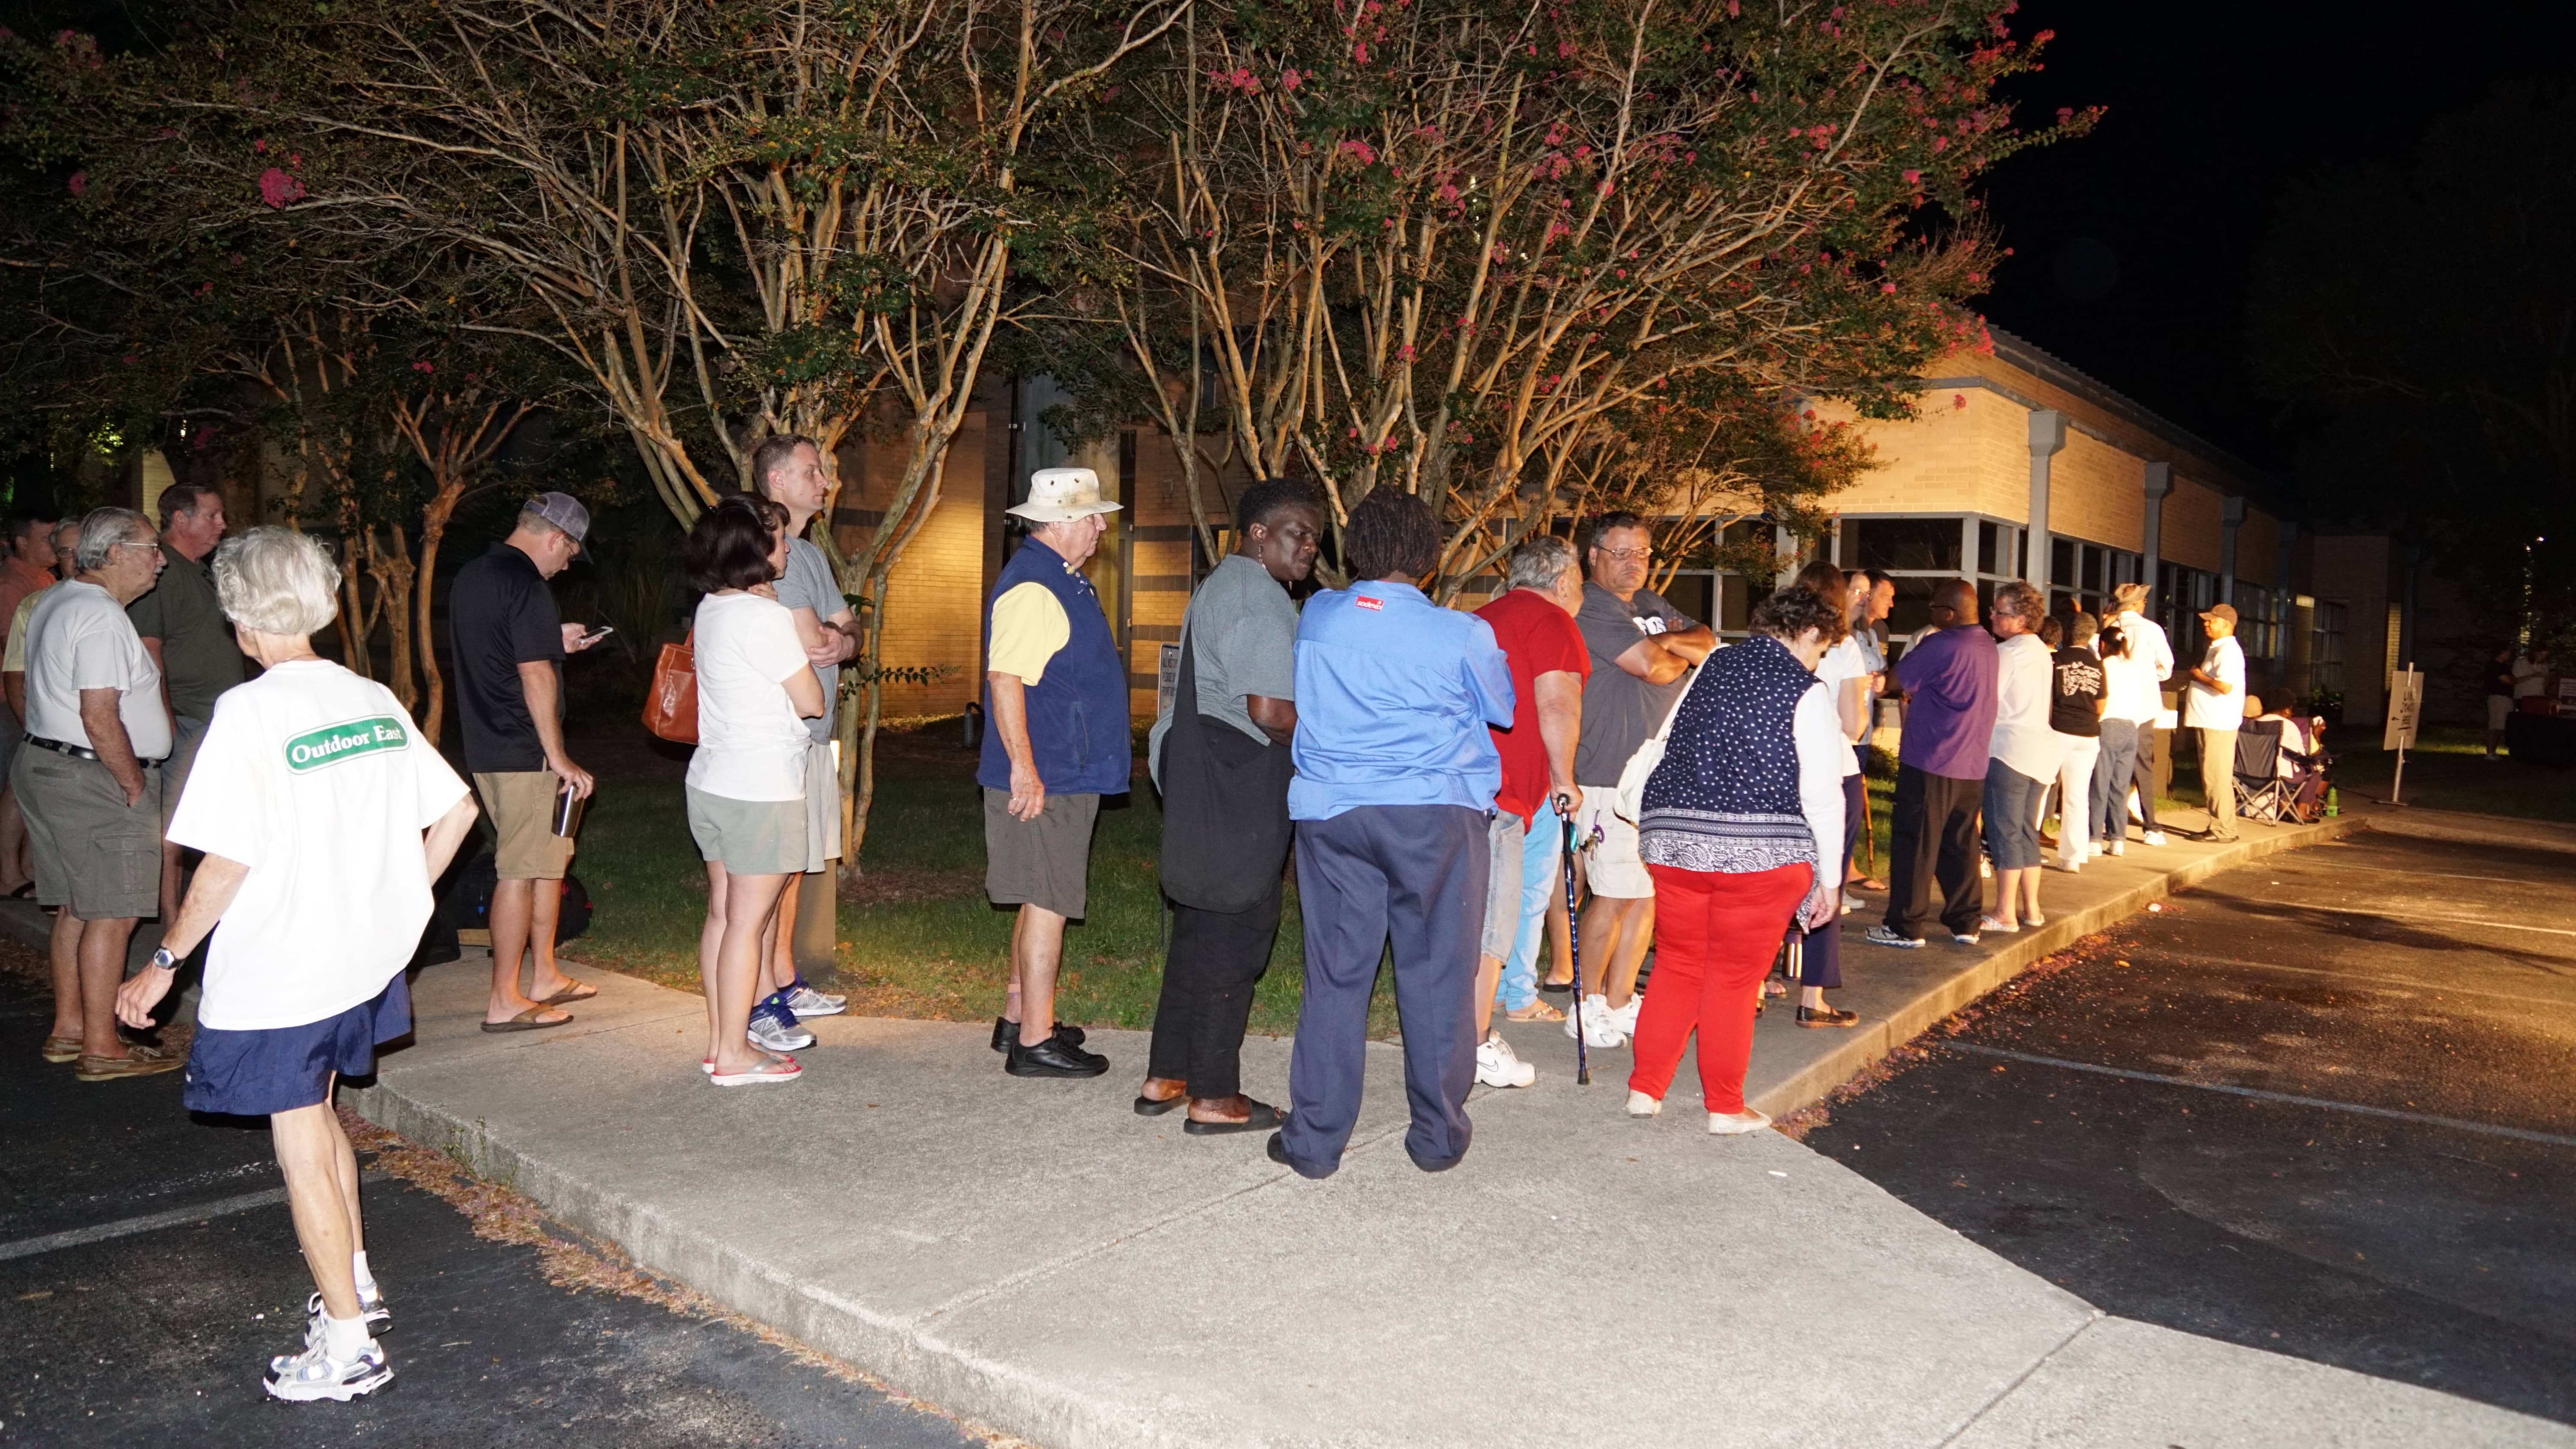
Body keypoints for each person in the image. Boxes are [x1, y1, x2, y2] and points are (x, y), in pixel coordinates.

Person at [114, 526, 478, 1402]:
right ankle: (355, 1283)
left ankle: (350, 1343)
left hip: (285, 967)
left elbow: (226, 862)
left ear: (241, 620)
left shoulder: (250, 712)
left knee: (300, 1138)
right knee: (320, 1113)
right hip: (358, 960)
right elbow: (458, 809)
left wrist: (163, 962)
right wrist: (399, 897)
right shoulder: (368, 696)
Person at [1269, 490, 1513, 1179]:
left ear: (1358, 550)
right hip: (1433, 815)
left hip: (1333, 815)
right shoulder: (1462, 633)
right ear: (1430, 559)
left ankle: (1314, 1142)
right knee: (1436, 974)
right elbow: (1501, 706)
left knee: (1336, 977)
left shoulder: (1317, 615)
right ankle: (1436, 1139)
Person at [1624, 583, 1845, 1134]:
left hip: (1676, 844)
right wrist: (1833, 879)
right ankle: (1724, 1106)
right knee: (1732, 979)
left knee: (1677, 964)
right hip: (1762, 859)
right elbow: (1822, 794)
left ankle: (1645, 1088)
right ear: (1812, 633)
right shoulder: (1805, 689)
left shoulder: (1717, 662)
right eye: (1822, 648)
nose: (1819, 659)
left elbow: (1673, 737)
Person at [1139, 479, 1321, 1131]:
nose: (1309, 548)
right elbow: (1271, 712)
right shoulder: (1257, 598)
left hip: (1201, 773)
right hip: (1238, 779)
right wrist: (1340, 742)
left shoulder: (1221, 585)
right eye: (1298, 534)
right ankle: (1215, 1095)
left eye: (1315, 539)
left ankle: (1170, 1073)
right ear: (1258, 533)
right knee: (1235, 934)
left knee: (1198, 929)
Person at [981, 467, 1129, 1078]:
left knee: (1038, 890)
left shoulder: (1059, 579)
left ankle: (1020, 1016)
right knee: (1050, 899)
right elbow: (1004, 677)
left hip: (1061, 767)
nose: (1100, 528)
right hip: (1051, 772)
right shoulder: (1034, 588)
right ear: (1063, 522)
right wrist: (1025, 769)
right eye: (1092, 517)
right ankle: (1036, 1043)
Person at [20, 507, 173, 1079]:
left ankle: (71, 1029)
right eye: (150, 549)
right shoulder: (102, 616)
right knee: (113, 912)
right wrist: (133, 782)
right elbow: (99, 715)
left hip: (49, 767)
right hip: (95, 778)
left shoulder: (58, 600)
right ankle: (103, 1047)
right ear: (112, 555)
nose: (160, 562)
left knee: (77, 910)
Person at [682, 495, 828, 1085]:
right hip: (760, 788)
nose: (787, 545)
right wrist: (790, 620)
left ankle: (724, 1044)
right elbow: (812, 701)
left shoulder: (712, 608)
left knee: (722, 916)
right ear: (753, 550)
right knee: (747, 924)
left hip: (711, 781)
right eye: (777, 538)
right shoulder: (766, 617)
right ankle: (735, 1057)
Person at [450, 493, 608, 1031]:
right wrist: (558, 756)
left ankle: (543, 975)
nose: (567, 565)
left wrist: (553, 639)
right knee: (518, 871)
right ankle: (504, 999)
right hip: (523, 749)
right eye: (569, 554)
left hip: (487, 744)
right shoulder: (528, 584)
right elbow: (534, 675)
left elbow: (498, 647)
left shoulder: (475, 574)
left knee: (547, 861)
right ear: (556, 539)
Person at [1567, 512, 1715, 1048]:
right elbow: (1655, 668)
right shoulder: (1590, 608)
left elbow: (1707, 642)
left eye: (1643, 554)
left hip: (1656, 773)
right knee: (1611, 893)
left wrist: (1669, 648)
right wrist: (1673, 652)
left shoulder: (1650, 606)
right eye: (1622, 553)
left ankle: (1620, 1001)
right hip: (1608, 771)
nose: (1635, 564)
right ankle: (1584, 1007)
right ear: (1594, 556)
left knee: (1644, 893)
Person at [749, 437, 860, 1027]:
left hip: (815, 737)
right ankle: (762, 992)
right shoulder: (766, 557)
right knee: (772, 870)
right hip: (781, 739)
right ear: (776, 482)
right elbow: (803, 641)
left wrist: (843, 640)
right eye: (812, 471)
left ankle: (784, 980)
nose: (825, 482)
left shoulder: (810, 557)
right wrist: (830, 639)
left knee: (794, 867)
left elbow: (844, 634)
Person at [1471, 534, 1589, 1080]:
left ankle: (1473, 1017)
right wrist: (1565, 779)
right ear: (1563, 581)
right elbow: (1558, 699)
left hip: (1463, 786)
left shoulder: (1480, 618)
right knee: (1495, 920)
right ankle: (1473, 1045)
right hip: (1505, 792)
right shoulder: (1553, 620)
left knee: (1470, 914)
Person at [130, 483, 246, 923]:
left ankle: (208, 904)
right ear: (180, 519)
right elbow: (149, 649)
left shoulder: (199, 570)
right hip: (187, 717)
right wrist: (166, 721)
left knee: (208, 818)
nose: (222, 525)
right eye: (212, 516)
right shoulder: (162, 573)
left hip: (215, 717)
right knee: (174, 821)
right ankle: (171, 915)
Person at [1868, 580, 1997, 949]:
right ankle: (1966, 922)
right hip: (1971, 764)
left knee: (1916, 843)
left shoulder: (1941, 643)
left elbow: (1894, 680)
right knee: (1961, 844)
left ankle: (1906, 925)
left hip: (1931, 760)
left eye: (1935, 608)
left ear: (1950, 612)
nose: (1931, 614)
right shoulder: (1987, 645)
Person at [1785, 561, 1863, 1026]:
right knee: (1825, 877)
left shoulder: (1784, 638)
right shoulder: (1846, 647)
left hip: (1781, 770)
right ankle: (1812, 997)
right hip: (1835, 768)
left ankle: (1760, 982)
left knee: (1776, 870)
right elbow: (1854, 724)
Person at [1979, 582, 2057, 934]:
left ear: (2023, 617)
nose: (1993, 617)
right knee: (2027, 830)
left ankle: (2004, 912)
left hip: (2009, 748)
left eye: (2001, 613)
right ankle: (2032, 909)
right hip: (2040, 750)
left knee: (2004, 831)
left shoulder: (2009, 652)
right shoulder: (2041, 650)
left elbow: (1989, 699)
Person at [0, 515, 62, 897]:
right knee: (16, 785)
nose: (53, 545)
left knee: (26, 786)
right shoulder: (11, 586)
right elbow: (14, 655)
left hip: (32, 701)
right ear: (22, 543)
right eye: (46, 538)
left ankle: (22, 868)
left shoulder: (46, 582)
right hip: (10, 702)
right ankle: (8, 874)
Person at [2105, 582, 2174, 846]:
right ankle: (2152, 828)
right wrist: (2150, 676)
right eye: (2143, 600)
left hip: (2113, 707)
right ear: (2136, 604)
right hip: (2144, 706)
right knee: (2143, 765)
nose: (2145, 603)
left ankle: (2110, 824)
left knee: (2109, 766)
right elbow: (2167, 668)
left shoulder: (2109, 629)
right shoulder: (2152, 630)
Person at [1844, 568, 1897, 900]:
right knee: (1838, 809)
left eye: (1868, 593)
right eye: (1859, 592)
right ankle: (1833, 882)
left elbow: (1880, 671)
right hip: (1841, 735)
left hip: (1862, 733)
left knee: (1849, 811)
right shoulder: (1839, 635)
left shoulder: (1871, 634)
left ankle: (1845, 873)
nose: (1889, 603)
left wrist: (1880, 682)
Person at [2047, 612, 2108, 873]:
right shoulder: (2097, 664)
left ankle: (2026, 848)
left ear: (2067, 633)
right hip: (2088, 734)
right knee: (2077, 796)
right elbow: (2101, 705)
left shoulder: (2056, 660)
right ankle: (2073, 857)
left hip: (2058, 731)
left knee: (2040, 790)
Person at [2184, 601, 2246, 843]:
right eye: (2207, 620)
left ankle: (2224, 829)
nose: (2207, 624)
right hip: (2209, 721)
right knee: (2212, 776)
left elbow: (2225, 687)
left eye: (2212, 620)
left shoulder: (2228, 651)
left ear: (2227, 624)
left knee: (2216, 777)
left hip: (2218, 723)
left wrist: (2199, 676)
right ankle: (2220, 825)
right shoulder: (2217, 648)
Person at [2485, 645, 2517, 758]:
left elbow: (2513, 680)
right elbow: (2508, 680)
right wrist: (2511, 680)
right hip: (2497, 698)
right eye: (2508, 651)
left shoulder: (2504, 666)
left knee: (2501, 726)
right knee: (2494, 725)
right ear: (2502, 653)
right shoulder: (2493, 666)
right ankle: (2489, 752)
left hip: (2506, 698)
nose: (2509, 654)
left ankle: (2494, 751)